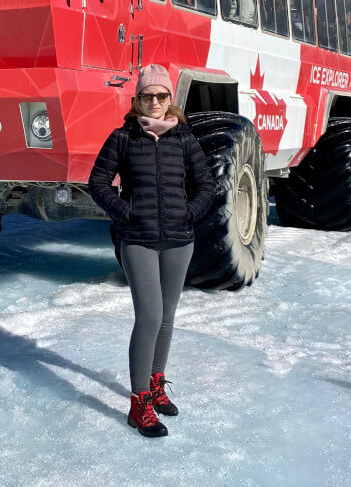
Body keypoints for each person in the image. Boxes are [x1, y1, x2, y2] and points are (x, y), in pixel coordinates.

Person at [87, 64, 214, 438]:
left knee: (167, 316)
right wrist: (125, 212)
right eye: (147, 96)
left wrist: (189, 212)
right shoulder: (122, 138)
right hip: (138, 238)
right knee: (149, 315)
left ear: (170, 99)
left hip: (179, 239)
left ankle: (156, 384)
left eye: (161, 95)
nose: (155, 102)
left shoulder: (184, 139)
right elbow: (97, 183)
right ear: (137, 100)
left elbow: (207, 184)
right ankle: (138, 402)